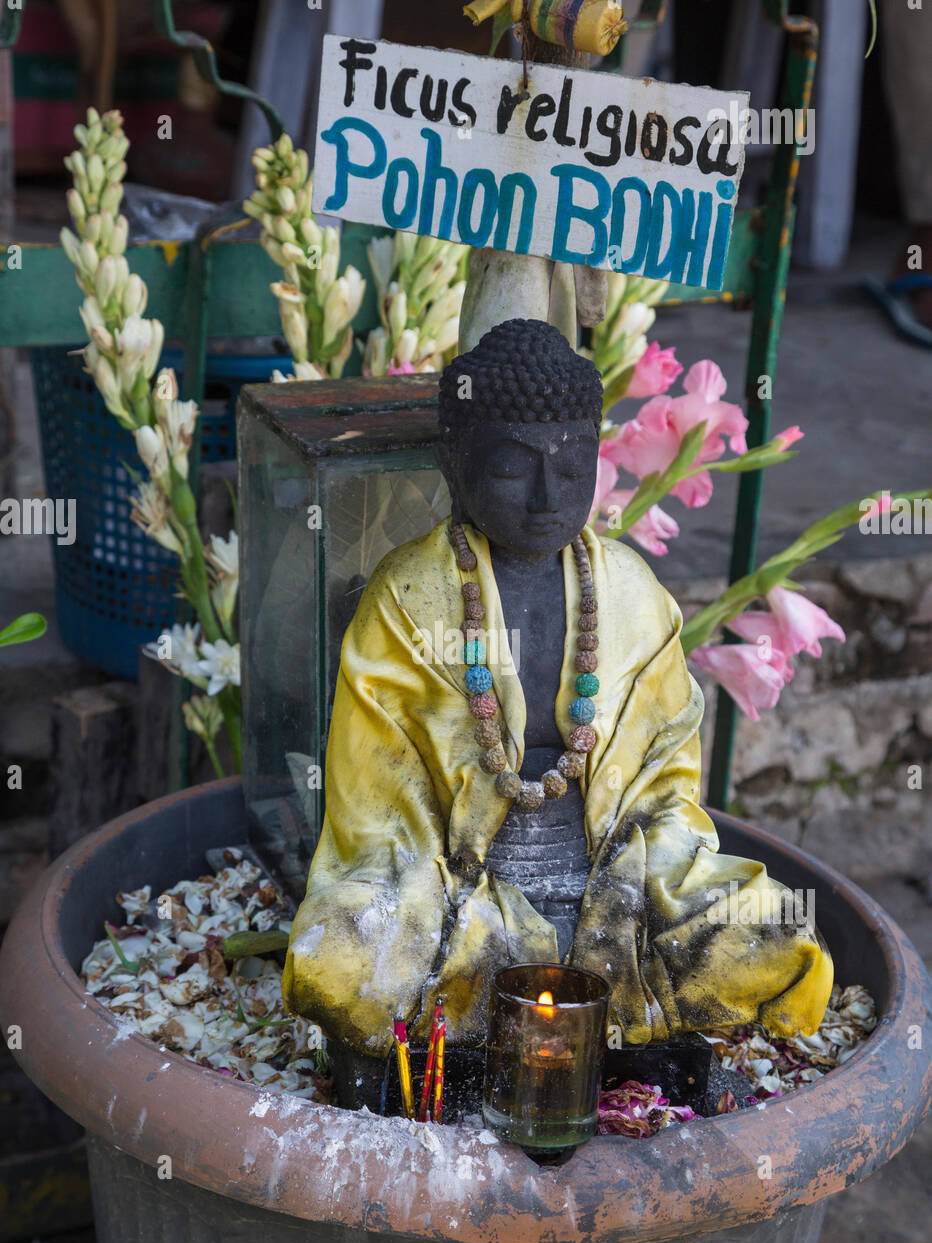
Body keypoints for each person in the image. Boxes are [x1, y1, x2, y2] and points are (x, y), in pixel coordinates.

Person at [283, 319, 833, 1057]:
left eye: (574, 468)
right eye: (513, 469)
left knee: (771, 929)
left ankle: (574, 1004)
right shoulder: (408, 598)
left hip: (616, 872)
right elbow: (376, 804)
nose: (547, 497)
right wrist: (446, 889)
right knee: (343, 958)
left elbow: (668, 785)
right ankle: (595, 1015)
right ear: (454, 465)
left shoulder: (632, 593)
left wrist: (633, 872)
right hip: (456, 880)